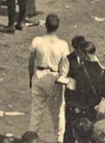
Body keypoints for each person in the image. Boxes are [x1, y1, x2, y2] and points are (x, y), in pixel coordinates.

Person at [28, 14, 70, 142]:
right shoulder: (62, 45)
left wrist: (31, 79)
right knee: (57, 112)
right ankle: (59, 140)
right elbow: (65, 67)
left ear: (45, 25)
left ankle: (31, 138)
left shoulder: (37, 41)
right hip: (54, 77)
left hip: (38, 75)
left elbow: (30, 63)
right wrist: (62, 78)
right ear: (57, 27)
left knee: (36, 110)